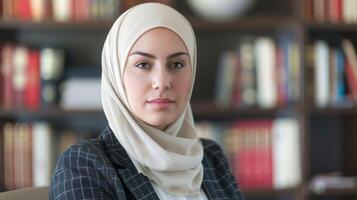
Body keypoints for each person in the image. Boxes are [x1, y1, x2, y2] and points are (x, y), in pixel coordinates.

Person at [50, 3, 243, 200]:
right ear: (116, 74)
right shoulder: (85, 164)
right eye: (143, 64)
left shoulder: (211, 157)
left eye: (176, 64)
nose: (162, 82)